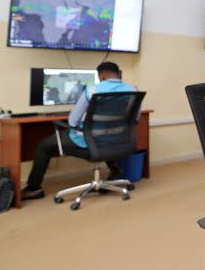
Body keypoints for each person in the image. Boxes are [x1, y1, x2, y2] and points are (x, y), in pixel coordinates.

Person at [21, 62, 137, 200]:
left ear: (102, 76)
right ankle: (116, 171)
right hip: (117, 141)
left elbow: (72, 121)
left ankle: (34, 188)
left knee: (43, 146)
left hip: (93, 143)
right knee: (103, 136)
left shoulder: (92, 90)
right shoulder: (133, 89)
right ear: (118, 74)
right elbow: (135, 118)